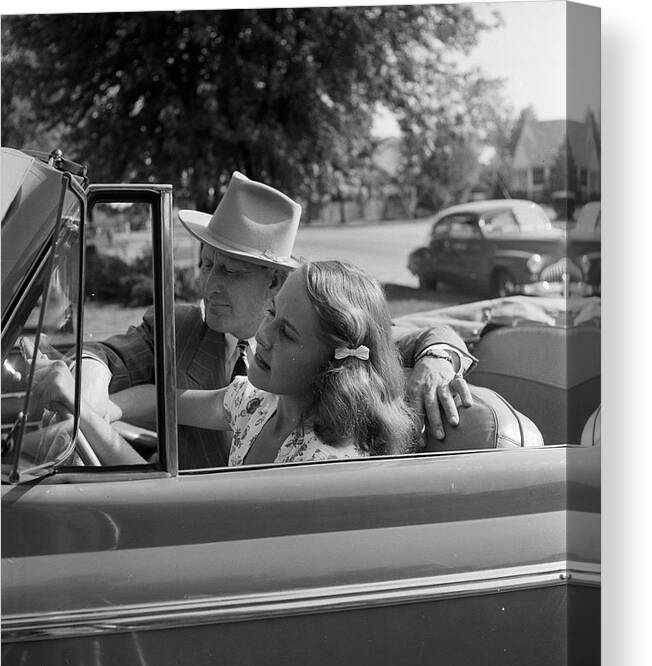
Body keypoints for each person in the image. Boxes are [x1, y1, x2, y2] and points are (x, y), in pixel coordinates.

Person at [79, 171, 475, 469]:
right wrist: (91, 391)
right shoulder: (183, 334)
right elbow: (106, 356)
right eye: (205, 265)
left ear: (275, 282)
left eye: (230, 272)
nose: (210, 286)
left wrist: (438, 361)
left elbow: (426, 336)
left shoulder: (337, 336)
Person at [31, 260, 415, 465]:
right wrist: (98, 406)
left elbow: (185, 519)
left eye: (288, 334)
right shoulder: (255, 403)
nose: (264, 336)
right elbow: (165, 398)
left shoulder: (319, 463)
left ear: (335, 362)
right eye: (272, 315)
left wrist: (86, 420)